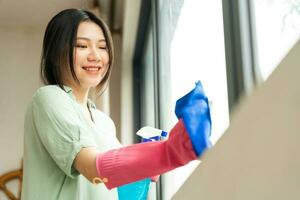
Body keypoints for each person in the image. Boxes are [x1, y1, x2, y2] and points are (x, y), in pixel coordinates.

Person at [21, 8, 212, 200]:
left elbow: (120, 190)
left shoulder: (104, 122)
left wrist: (145, 169)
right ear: (57, 51)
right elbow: (93, 167)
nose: (95, 56)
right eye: (81, 46)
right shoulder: (48, 98)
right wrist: (169, 151)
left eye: (102, 47)